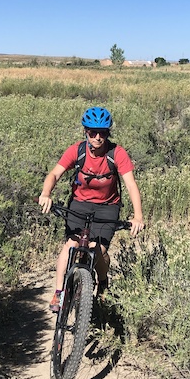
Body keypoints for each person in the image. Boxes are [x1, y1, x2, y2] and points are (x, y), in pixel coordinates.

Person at [39, 106, 145, 312]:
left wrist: (138, 216)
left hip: (107, 207)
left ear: (108, 133)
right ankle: (59, 293)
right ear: (86, 132)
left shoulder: (117, 154)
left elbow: (131, 185)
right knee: (71, 244)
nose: (98, 137)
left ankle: (102, 280)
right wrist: (46, 194)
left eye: (103, 133)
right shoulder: (77, 151)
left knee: (98, 250)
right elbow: (54, 174)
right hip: (80, 203)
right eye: (93, 132)